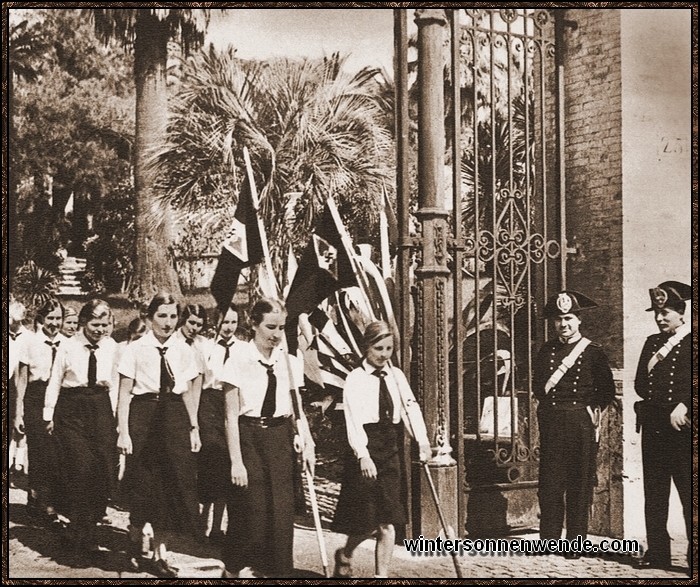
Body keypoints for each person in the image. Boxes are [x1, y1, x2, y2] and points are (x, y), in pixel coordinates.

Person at [220, 298, 315, 578]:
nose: (276, 334)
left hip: (279, 439)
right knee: (253, 517)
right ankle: (232, 569)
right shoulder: (238, 359)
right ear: (254, 325)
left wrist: (307, 441)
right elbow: (230, 417)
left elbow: (297, 410)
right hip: (249, 437)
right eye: (270, 327)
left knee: (282, 518)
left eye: (281, 328)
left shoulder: (290, 362)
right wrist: (236, 462)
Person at [332, 321, 431, 578]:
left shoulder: (396, 376)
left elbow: (410, 408)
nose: (384, 354)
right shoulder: (355, 379)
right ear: (367, 347)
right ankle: (346, 553)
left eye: (389, 348)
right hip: (365, 448)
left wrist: (422, 440)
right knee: (366, 521)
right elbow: (352, 420)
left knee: (388, 519)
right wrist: (363, 455)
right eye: (378, 348)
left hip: (391, 448)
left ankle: (381, 576)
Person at [116, 292, 202, 577]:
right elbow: (125, 394)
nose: (167, 323)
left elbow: (187, 391)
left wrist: (193, 427)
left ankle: (160, 553)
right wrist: (124, 432)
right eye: (162, 316)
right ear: (150, 316)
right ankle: (134, 538)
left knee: (170, 485)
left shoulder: (184, 350)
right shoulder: (135, 349)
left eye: (173, 316)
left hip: (174, 417)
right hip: (144, 415)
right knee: (143, 483)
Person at [532, 291, 615, 558]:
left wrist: (589, 411)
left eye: (568, 318)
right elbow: (538, 386)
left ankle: (575, 543)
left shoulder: (593, 352)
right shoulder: (546, 350)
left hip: (580, 423)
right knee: (550, 483)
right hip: (553, 422)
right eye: (558, 320)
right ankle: (548, 540)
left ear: (578, 320)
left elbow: (606, 391)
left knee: (579, 484)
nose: (563, 324)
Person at [43, 299, 119, 551]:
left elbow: (117, 384)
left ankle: (87, 528)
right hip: (71, 409)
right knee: (81, 467)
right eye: (95, 324)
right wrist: (48, 414)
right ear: (84, 322)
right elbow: (55, 380)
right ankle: (79, 527)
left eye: (105, 324)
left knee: (102, 471)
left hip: (100, 409)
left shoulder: (112, 347)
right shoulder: (68, 346)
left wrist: (116, 418)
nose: (100, 329)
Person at [633, 281, 691, 571]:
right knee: (654, 494)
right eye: (656, 313)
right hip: (655, 426)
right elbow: (641, 384)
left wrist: (686, 403)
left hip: (683, 429)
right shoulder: (651, 343)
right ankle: (657, 552)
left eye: (665, 312)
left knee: (689, 493)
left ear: (681, 313)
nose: (659, 318)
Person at [14, 299, 67, 525]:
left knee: (57, 452)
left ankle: (51, 501)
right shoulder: (31, 342)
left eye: (58, 318)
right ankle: (37, 500)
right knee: (39, 452)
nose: (54, 323)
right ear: (41, 319)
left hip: (60, 400)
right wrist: (18, 413)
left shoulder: (68, 343)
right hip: (35, 397)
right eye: (50, 318)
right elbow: (22, 380)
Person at [198, 304, 242, 544]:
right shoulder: (206, 347)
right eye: (225, 322)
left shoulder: (243, 349)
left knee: (227, 464)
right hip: (210, 405)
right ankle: (201, 519)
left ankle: (216, 527)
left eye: (233, 322)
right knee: (211, 463)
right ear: (216, 322)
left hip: (232, 403)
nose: (229, 327)